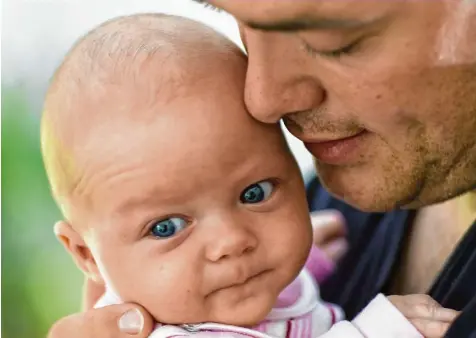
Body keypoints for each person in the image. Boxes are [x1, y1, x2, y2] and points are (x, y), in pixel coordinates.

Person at [47, 0, 476, 337]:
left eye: (331, 38)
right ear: (87, 255)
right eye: (166, 228)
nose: (264, 99)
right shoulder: (344, 189)